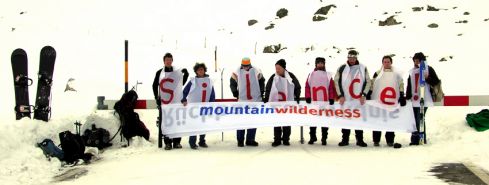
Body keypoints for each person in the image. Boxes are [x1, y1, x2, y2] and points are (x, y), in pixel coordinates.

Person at [334, 50, 371, 147]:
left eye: (354, 58)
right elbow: (336, 81)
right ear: (348, 58)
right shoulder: (342, 68)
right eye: (350, 58)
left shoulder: (363, 68)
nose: (352, 60)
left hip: (358, 99)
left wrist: (364, 94)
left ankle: (360, 140)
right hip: (345, 98)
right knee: (346, 118)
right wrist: (340, 95)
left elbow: (368, 81)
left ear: (356, 58)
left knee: (358, 119)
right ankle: (345, 139)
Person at [152, 53, 189, 150]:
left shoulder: (177, 72)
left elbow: (180, 84)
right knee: (166, 122)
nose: (168, 61)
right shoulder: (159, 73)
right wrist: (157, 97)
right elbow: (154, 85)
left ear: (172, 61)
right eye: (166, 59)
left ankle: (177, 142)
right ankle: (167, 142)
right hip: (165, 102)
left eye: (170, 59)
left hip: (176, 102)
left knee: (177, 121)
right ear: (164, 61)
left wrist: (186, 75)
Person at [368, 56, 406, 147]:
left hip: (391, 101)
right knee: (377, 120)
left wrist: (401, 94)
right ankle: (376, 140)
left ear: (391, 62)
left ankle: (390, 140)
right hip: (379, 100)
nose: (386, 63)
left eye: (388, 62)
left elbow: (401, 84)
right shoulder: (377, 73)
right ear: (382, 63)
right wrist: (369, 93)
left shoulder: (396, 74)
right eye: (385, 62)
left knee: (390, 120)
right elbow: (372, 83)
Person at [264, 59, 301, 147]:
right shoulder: (273, 77)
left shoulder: (290, 76)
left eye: (279, 68)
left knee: (286, 121)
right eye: (276, 68)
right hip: (276, 104)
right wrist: (266, 97)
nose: (277, 70)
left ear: (284, 68)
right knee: (277, 122)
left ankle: (286, 139)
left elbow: (297, 86)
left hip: (287, 104)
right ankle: (277, 139)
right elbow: (268, 87)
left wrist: (297, 96)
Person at [406, 52, 440, 145]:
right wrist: (407, 96)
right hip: (414, 99)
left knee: (420, 119)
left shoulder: (428, 69)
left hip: (425, 99)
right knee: (414, 119)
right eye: (415, 60)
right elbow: (409, 85)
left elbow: (436, 81)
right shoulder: (412, 71)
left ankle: (421, 138)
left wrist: (427, 78)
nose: (416, 62)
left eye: (418, 60)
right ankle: (414, 139)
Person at [230, 57, 265, 147]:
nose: (246, 67)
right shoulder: (237, 71)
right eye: (244, 66)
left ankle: (250, 139)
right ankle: (240, 140)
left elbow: (262, 81)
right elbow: (232, 82)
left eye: (247, 66)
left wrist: (262, 91)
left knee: (253, 121)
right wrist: (234, 91)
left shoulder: (256, 70)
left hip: (255, 99)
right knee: (241, 121)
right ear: (241, 65)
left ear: (250, 64)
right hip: (242, 100)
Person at [182, 63, 215, 149]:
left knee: (203, 124)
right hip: (194, 107)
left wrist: (211, 104)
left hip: (205, 107)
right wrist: (184, 99)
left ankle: (202, 141)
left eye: (202, 69)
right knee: (194, 124)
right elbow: (185, 91)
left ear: (204, 70)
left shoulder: (209, 81)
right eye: (199, 70)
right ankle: (192, 142)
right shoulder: (192, 81)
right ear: (196, 71)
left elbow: (212, 93)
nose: (201, 71)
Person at [304, 57, 337, 145]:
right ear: (316, 64)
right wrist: (307, 96)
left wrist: (331, 97)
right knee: (313, 120)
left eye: (322, 63)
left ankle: (324, 137)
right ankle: (312, 137)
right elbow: (307, 86)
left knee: (324, 121)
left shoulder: (328, 75)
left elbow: (330, 87)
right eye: (318, 63)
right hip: (314, 101)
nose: (320, 65)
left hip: (325, 101)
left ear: (324, 64)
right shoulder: (311, 74)